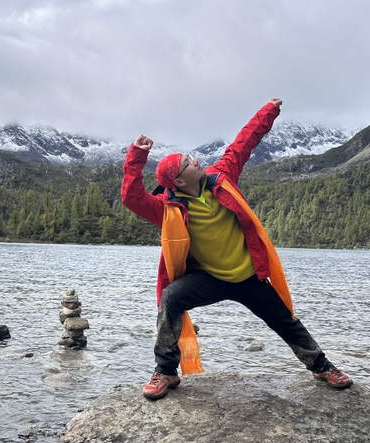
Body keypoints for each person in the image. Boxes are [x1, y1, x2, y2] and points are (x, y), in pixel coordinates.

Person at [121, 98, 353, 400]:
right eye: (188, 163)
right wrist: (137, 155)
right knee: (171, 297)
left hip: (248, 276)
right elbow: (132, 197)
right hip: (209, 278)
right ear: (178, 181)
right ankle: (166, 371)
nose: (195, 161)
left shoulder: (222, 177)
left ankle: (322, 367)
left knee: (285, 322)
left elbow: (243, 143)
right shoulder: (167, 207)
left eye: (191, 158)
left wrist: (268, 111)